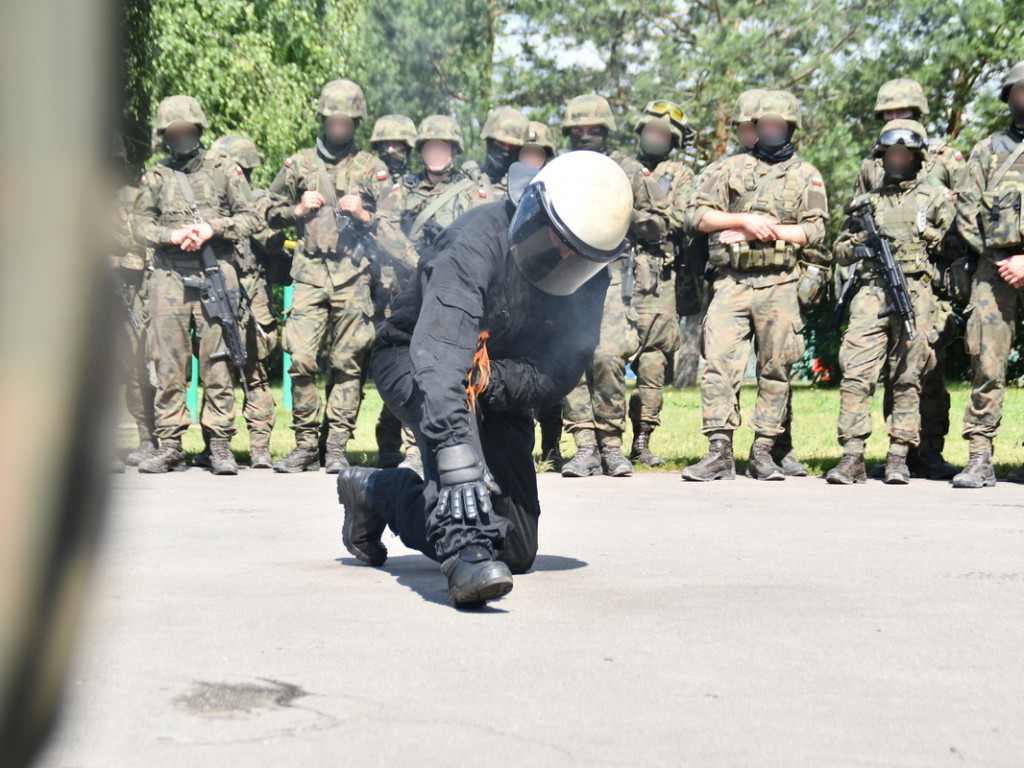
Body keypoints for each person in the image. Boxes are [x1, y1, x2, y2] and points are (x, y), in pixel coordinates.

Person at [336, 152, 633, 607]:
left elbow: (558, 372)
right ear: (534, 213)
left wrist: (489, 379)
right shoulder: (474, 242)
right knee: (466, 506)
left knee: (515, 549)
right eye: (561, 241)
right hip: (416, 363)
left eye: (581, 254)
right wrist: (457, 459)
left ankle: (378, 491)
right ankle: (465, 558)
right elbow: (440, 359)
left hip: (493, 384)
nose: (567, 257)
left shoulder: (587, 272)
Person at [681, 90, 829, 481]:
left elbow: (814, 229)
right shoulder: (728, 169)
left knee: (776, 368)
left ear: (790, 128)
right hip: (732, 282)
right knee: (718, 366)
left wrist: (769, 231)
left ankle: (764, 451)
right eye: (765, 125)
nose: (771, 130)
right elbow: (695, 215)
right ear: (756, 129)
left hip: (780, 282)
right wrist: (740, 221)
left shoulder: (806, 174)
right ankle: (719, 452)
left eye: (778, 125)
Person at [266, 79, 391, 474]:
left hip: (353, 276)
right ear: (323, 118)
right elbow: (266, 211)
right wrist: (296, 211)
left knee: (348, 363)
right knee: (300, 359)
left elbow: (396, 224)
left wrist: (366, 216)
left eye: (347, 121)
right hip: (308, 274)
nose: (340, 126)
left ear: (355, 122)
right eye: (334, 119)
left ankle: (335, 445)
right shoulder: (299, 165)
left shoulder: (372, 168)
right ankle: (305, 444)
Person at [132, 95, 261, 474]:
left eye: (186, 129)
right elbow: (139, 226)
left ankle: (218, 444)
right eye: (173, 131)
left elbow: (252, 215)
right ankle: (170, 443)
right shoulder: (156, 176)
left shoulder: (224, 171)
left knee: (218, 361)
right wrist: (173, 235)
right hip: (169, 277)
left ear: (199, 129)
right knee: (168, 363)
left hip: (216, 272)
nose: (181, 136)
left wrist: (212, 228)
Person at [826, 120, 954, 484]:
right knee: (856, 372)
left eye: (905, 153)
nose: (898, 159)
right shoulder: (867, 202)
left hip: (918, 293)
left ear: (917, 157)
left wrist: (925, 235)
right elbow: (839, 250)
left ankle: (899, 455)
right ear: (883, 158)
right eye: (892, 154)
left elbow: (956, 248)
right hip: (870, 292)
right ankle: (852, 455)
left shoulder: (935, 197)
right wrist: (862, 240)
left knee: (908, 376)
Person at [855, 78, 966, 480]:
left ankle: (929, 451)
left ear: (917, 114)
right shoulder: (873, 161)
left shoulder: (949, 160)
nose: (893, 118)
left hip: (936, 280)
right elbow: (864, 216)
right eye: (887, 113)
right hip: (887, 281)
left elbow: (963, 222)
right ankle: (900, 449)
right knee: (896, 369)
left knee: (929, 369)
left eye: (901, 112)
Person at [558, 93, 670, 478]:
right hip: (568, 277)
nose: (585, 135)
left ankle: (611, 443)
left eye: (593, 130)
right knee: (571, 359)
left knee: (608, 357)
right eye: (578, 130)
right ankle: (584, 445)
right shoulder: (561, 168)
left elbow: (658, 223)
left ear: (606, 130)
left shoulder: (627, 170)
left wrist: (624, 210)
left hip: (610, 276)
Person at [374, 115, 483, 474]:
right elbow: (384, 228)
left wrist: (450, 261)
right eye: (430, 147)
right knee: (412, 367)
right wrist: (420, 260)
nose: (436, 153)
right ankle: (415, 446)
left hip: (455, 296)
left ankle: (451, 442)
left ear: (453, 150)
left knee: (450, 369)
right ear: (422, 151)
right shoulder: (402, 191)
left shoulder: (470, 193)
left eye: (443, 147)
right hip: (410, 294)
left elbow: (485, 234)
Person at [951, 61, 1024, 488]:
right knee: (987, 362)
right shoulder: (987, 150)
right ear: (1008, 96)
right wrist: (1003, 259)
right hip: (994, 269)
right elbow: (965, 211)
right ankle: (980, 455)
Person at [187, 135, 280, 470]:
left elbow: (272, 244)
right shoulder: (205, 207)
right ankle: (215, 443)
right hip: (216, 296)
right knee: (216, 371)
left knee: (253, 373)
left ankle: (259, 447)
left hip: (252, 300)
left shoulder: (256, 203)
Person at [628, 99, 697, 466]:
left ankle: (642, 439)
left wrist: (635, 217)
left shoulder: (681, 174)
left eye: (662, 134)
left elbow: (678, 217)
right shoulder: (621, 167)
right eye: (649, 131)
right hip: (617, 271)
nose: (654, 138)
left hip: (659, 277)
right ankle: (600, 442)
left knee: (653, 362)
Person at [460, 106, 529, 201]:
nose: (506, 150)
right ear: (489, 141)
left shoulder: (526, 188)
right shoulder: (467, 179)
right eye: (501, 143)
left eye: (513, 147)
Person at [369, 113, 417, 184]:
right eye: (386, 144)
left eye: (397, 144)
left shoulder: (420, 185)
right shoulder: (367, 182)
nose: (390, 149)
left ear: (408, 147)